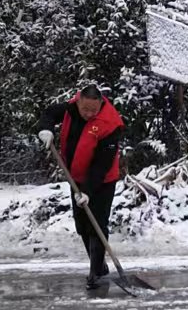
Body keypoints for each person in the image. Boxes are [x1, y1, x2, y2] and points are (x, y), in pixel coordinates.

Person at [37, 86, 124, 290]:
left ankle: (96, 273)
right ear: (78, 102)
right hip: (75, 177)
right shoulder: (71, 108)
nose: (88, 114)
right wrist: (45, 129)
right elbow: (49, 113)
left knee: (97, 224)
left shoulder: (110, 124)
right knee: (82, 225)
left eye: (93, 110)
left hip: (102, 181)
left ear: (101, 103)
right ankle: (100, 266)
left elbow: (102, 165)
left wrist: (87, 191)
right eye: (85, 109)